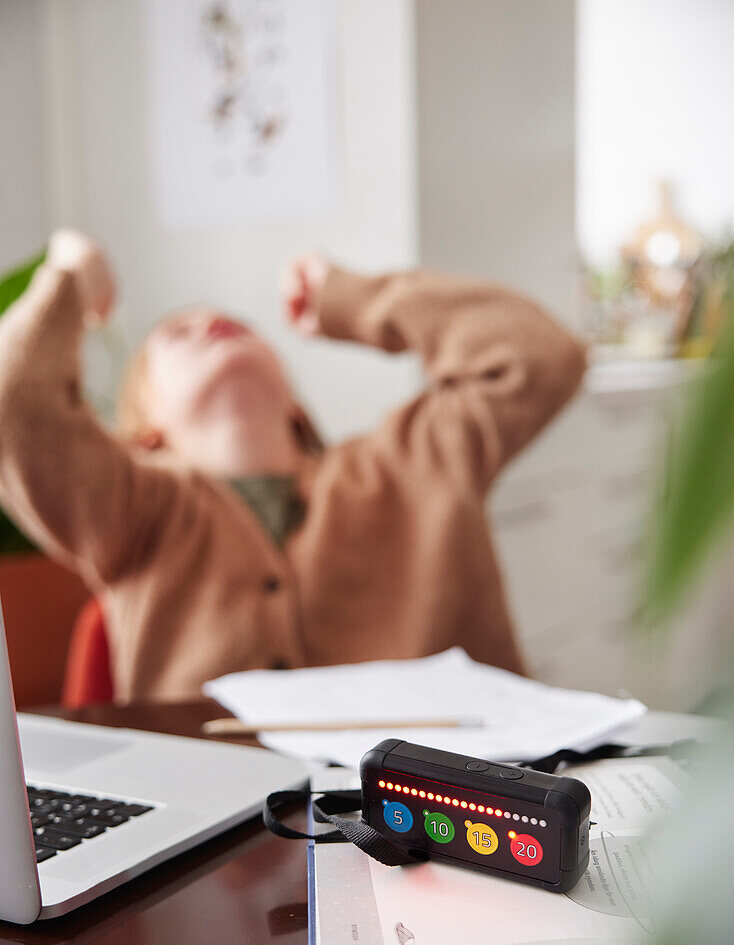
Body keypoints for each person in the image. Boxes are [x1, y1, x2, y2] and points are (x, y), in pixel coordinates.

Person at [0, 230, 586, 701]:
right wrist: (74, 278)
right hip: (228, 835)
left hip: (456, 823)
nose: (208, 324)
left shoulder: (414, 462)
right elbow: (13, 404)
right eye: (180, 334)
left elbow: (540, 355)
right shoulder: (130, 509)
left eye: (239, 328)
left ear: (292, 400)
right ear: (146, 428)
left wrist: (353, 300)